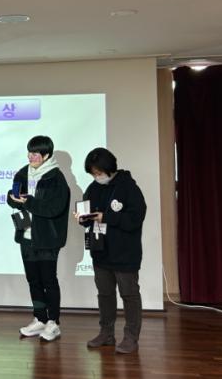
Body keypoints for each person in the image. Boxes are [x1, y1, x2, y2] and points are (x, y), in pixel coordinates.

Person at [75, 147, 146, 354]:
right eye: (93, 174)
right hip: (100, 251)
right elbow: (86, 214)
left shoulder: (128, 187)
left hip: (125, 253)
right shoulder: (93, 188)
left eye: (98, 173)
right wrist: (82, 218)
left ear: (110, 168)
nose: (96, 177)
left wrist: (106, 217)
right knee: (105, 294)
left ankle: (131, 337)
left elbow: (135, 219)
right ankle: (106, 333)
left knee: (129, 295)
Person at [7, 135, 70, 341]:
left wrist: (28, 202)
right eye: (29, 152)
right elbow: (14, 196)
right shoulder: (22, 173)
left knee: (48, 280)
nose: (31, 157)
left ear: (47, 155)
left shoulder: (56, 178)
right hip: (26, 236)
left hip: (48, 238)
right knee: (33, 280)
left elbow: (54, 209)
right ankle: (40, 318)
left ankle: (53, 322)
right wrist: (13, 199)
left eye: (35, 154)